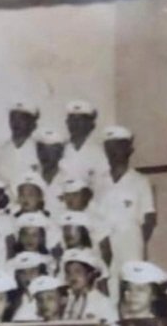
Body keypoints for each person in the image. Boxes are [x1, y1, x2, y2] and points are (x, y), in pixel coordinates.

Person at [93, 125, 156, 290]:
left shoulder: (141, 181)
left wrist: (135, 243)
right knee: (105, 287)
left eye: (118, 147)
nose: (113, 152)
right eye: (109, 148)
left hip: (130, 244)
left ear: (129, 150)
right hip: (102, 243)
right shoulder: (98, 181)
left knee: (131, 288)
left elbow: (149, 218)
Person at [0, 101, 40, 189]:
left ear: (32, 123)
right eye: (13, 118)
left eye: (22, 119)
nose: (16, 123)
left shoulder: (39, 150)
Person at [60, 100, 104, 185]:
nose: (75, 124)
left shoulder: (99, 152)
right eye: (72, 119)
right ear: (67, 123)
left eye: (80, 120)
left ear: (91, 125)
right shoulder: (59, 149)